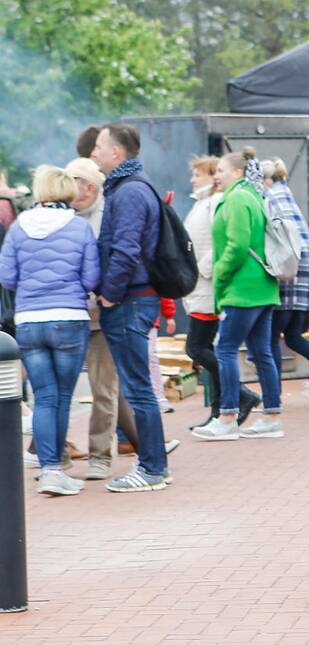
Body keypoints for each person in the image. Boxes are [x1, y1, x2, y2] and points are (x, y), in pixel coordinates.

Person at [0, 166, 99, 496]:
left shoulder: (19, 227)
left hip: (29, 320)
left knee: (43, 396)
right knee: (63, 397)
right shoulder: (79, 226)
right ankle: (57, 469)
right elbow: (91, 278)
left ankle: (49, 470)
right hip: (69, 318)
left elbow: (7, 277)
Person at [90, 123, 171, 492]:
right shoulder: (131, 186)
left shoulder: (129, 191)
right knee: (138, 387)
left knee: (138, 389)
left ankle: (152, 469)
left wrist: (109, 294)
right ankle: (153, 465)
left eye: (99, 146)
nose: (94, 152)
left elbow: (125, 249)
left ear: (116, 152)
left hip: (129, 300)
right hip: (134, 297)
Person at [191, 148, 284, 441]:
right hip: (262, 287)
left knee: (226, 349)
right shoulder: (253, 195)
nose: (216, 176)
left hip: (242, 289)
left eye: (221, 170)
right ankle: (271, 416)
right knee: (262, 352)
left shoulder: (236, 198)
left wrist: (219, 271)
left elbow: (237, 244)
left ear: (237, 172)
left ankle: (228, 416)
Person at [63, 156, 131, 481]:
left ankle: (100, 456)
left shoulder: (110, 215)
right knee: (60, 391)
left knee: (104, 390)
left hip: (104, 316)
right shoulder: (61, 216)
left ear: (89, 187)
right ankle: (55, 455)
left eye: (70, 183)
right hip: (70, 316)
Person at [262, 157, 309, 377]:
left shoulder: (270, 198)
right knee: (292, 336)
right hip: (308, 271)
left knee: (271, 337)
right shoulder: (285, 195)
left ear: (265, 179)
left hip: (292, 272)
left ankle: (274, 392)